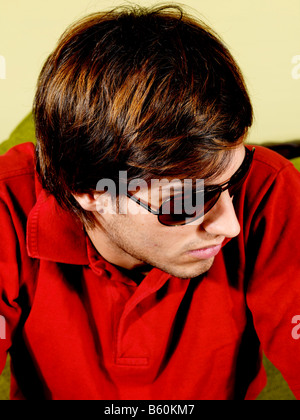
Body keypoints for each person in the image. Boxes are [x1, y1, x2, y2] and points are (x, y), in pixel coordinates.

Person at [0, 5, 300, 401]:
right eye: (188, 200)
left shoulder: (269, 188)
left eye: (235, 179)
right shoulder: (9, 203)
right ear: (90, 191)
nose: (230, 225)